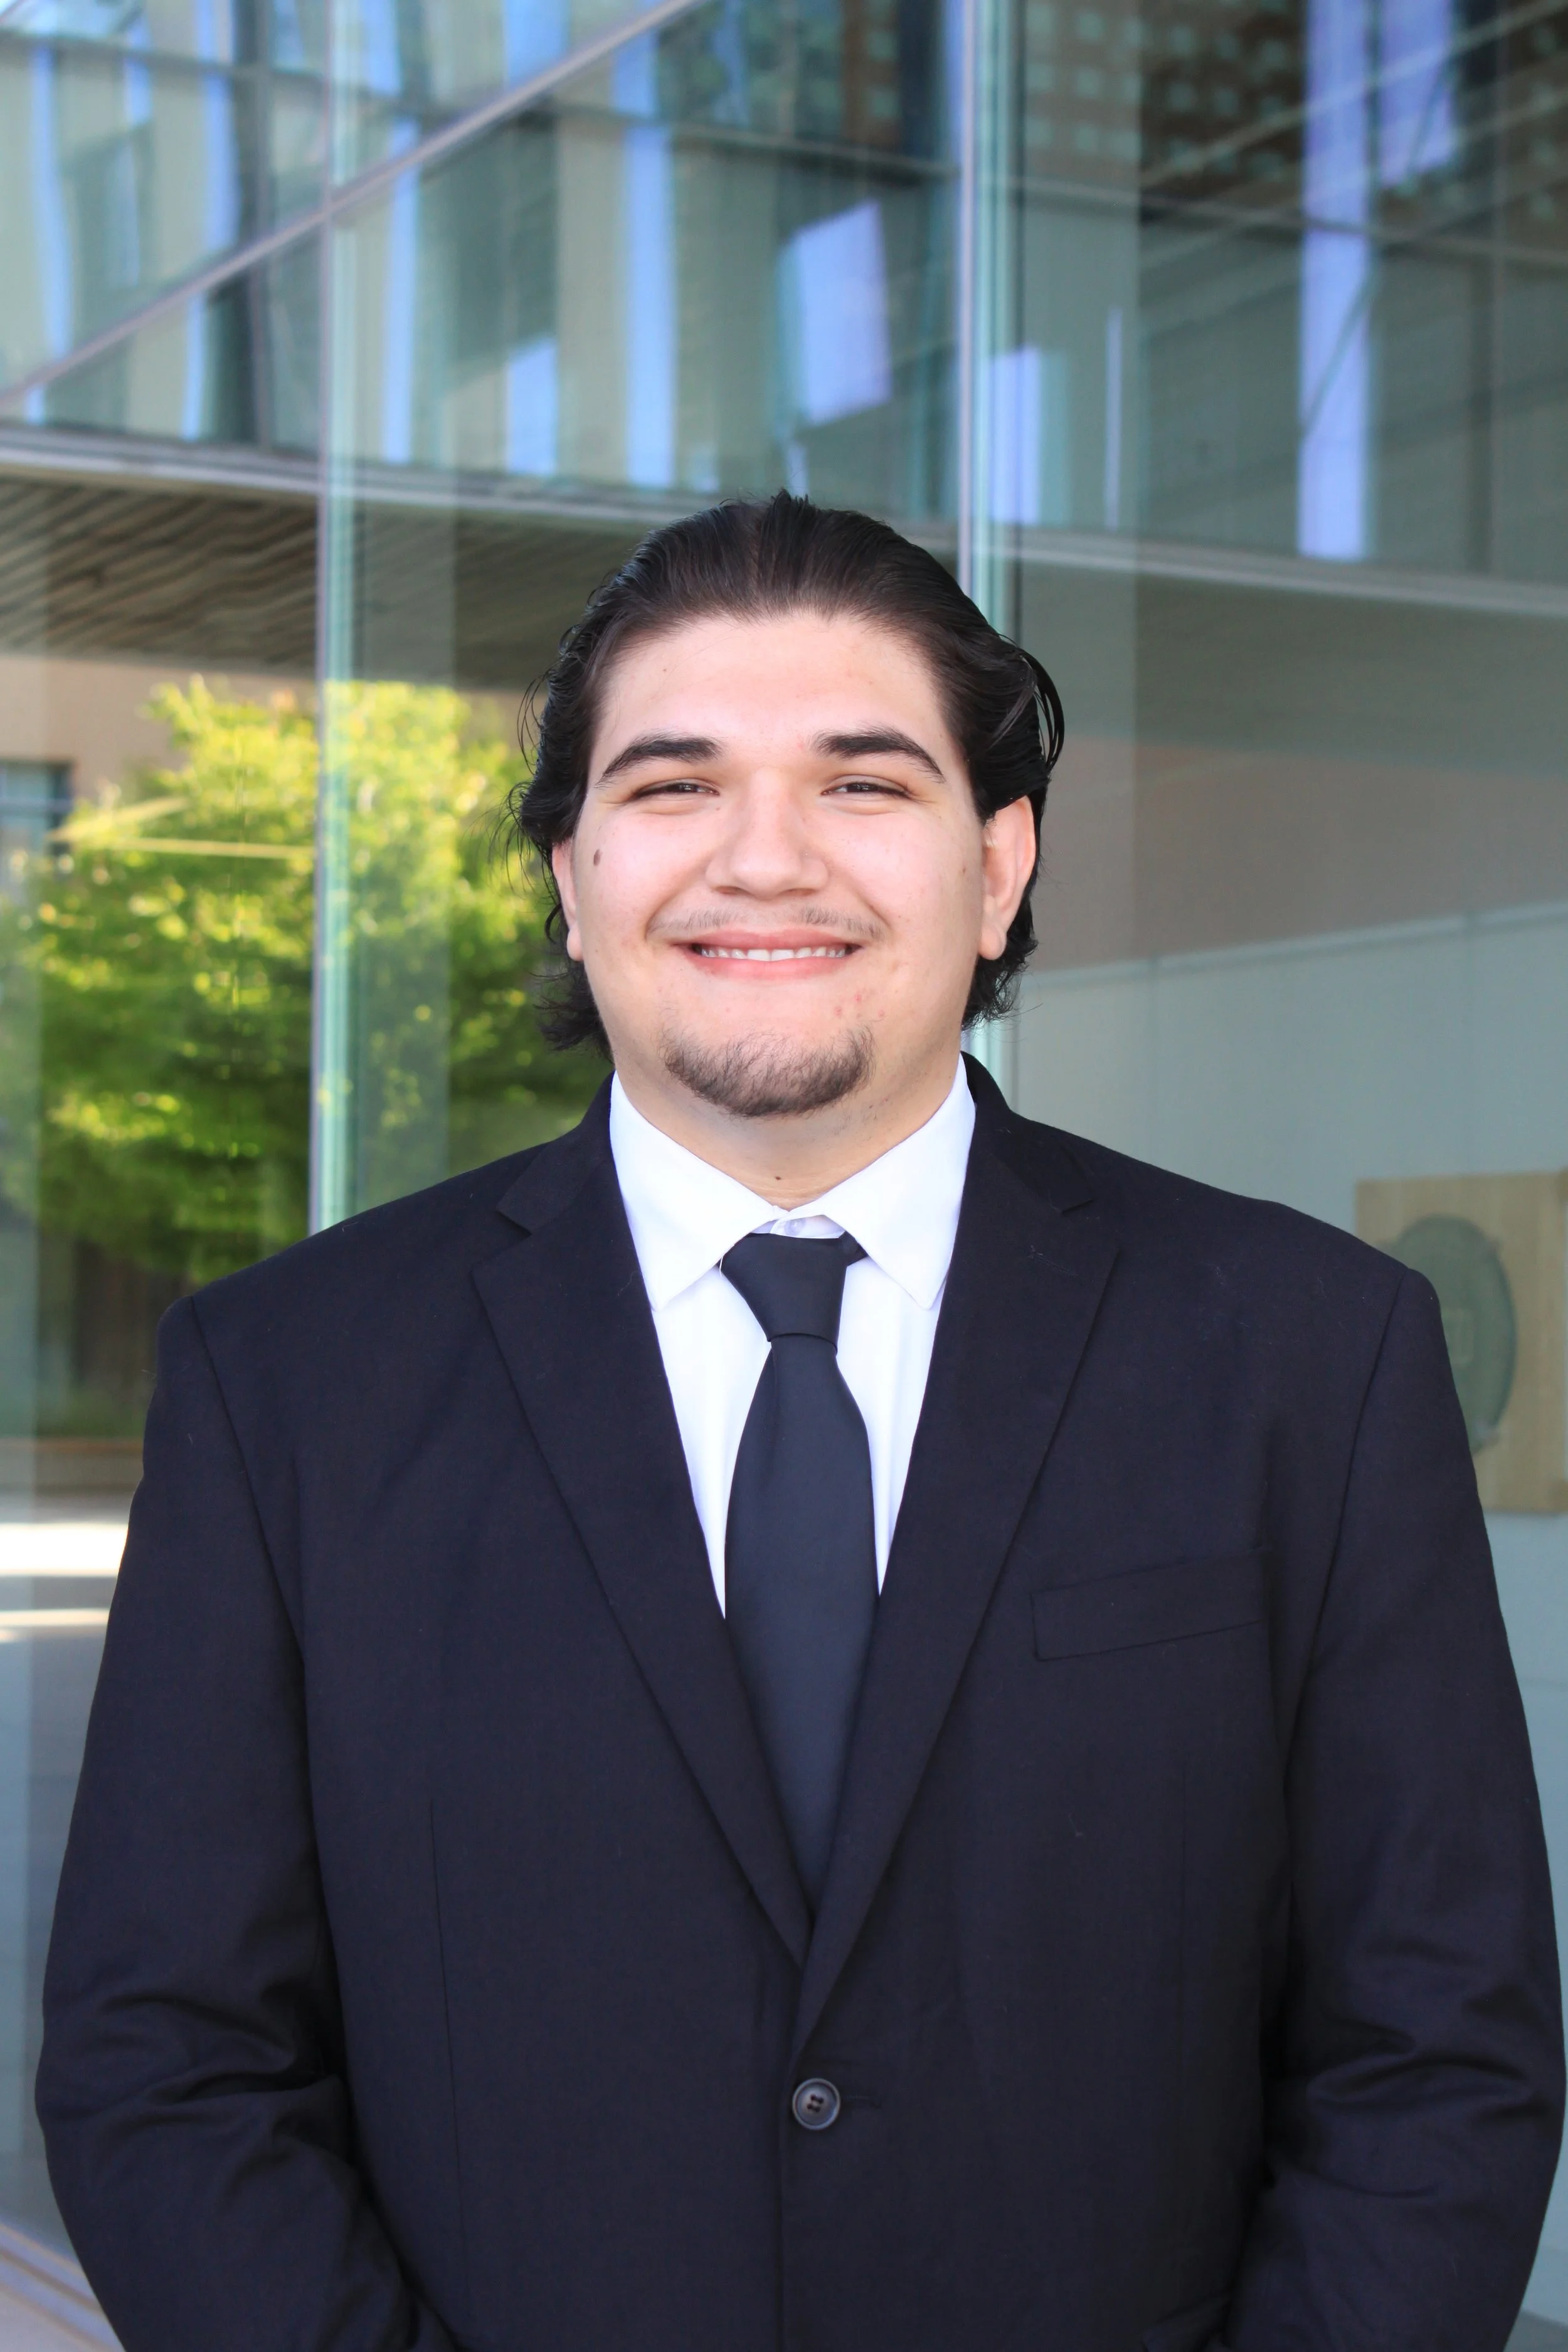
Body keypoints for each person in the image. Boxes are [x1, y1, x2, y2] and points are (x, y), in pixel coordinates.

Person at [38, 493, 1563, 2352]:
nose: (766, 860)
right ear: (571, 872)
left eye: (864, 782)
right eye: (673, 786)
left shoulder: (1309, 1355)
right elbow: (170, 2065)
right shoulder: (284, 1384)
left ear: (998, 866)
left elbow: (1436, 2051)